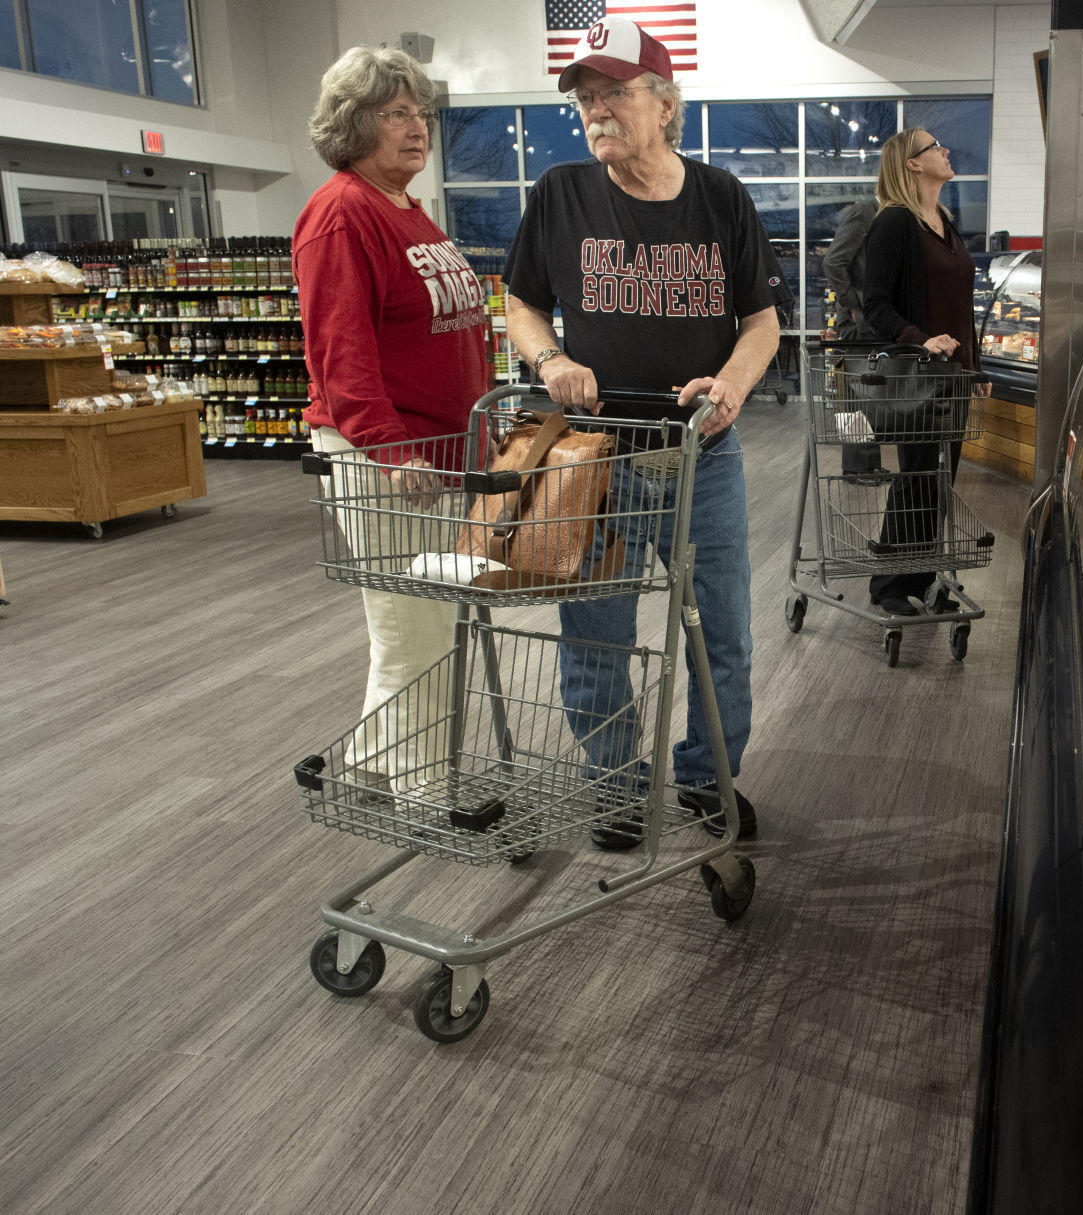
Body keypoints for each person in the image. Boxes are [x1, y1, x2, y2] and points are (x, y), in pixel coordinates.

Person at [504, 16, 785, 847]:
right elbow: (521, 302)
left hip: (703, 456)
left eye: (614, 93)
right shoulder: (560, 192)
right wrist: (549, 357)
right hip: (597, 460)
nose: (596, 110)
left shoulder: (719, 197)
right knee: (596, 634)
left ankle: (706, 777)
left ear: (664, 104)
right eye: (586, 98)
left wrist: (729, 387)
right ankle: (616, 789)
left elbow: (762, 322)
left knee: (721, 634)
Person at [296, 46, 488, 795]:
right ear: (353, 123)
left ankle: (374, 760)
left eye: (423, 113)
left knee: (417, 622)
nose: (418, 128)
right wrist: (392, 451)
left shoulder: (406, 208)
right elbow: (341, 355)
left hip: (437, 452)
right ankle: (422, 787)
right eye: (396, 113)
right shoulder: (342, 213)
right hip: (386, 458)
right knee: (416, 626)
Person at [857, 126, 991, 618]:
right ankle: (891, 581)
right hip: (915, 375)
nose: (946, 149)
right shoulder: (894, 223)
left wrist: (972, 365)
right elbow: (876, 304)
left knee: (939, 477)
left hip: (952, 377)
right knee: (917, 475)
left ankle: (923, 573)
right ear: (912, 163)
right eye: (935, 146)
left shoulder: (944, 221)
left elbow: (960, 304)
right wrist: (921, 339)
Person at [822, 194, 886, 480]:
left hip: (869, 323)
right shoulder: (865, 211)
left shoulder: (880, 215)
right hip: (856, 325)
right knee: (856, 398)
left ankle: (867, 464)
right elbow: (833, 261)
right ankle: (858, 467)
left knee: (866, 397)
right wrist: (855, 305)